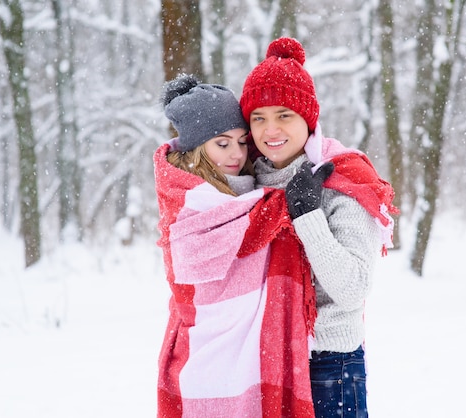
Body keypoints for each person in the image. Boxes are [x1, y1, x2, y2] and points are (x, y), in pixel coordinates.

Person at [240, 37, 399, 417]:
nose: (270, 129)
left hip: (328, 364)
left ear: (308, 120)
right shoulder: (248, 185)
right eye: (258, 117)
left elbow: (352, 288)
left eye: (284, 115)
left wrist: (308, 218)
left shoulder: (342, 179)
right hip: (263, 361)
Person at [154, 74, 317, 417]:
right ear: (195, 148)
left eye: (242, 142)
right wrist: (284, 203)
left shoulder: (248, 190)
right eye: (222, 143)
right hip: (207, 358)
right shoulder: (190, 200)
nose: (236, 154)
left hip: (254, 359)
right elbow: (196, 278)